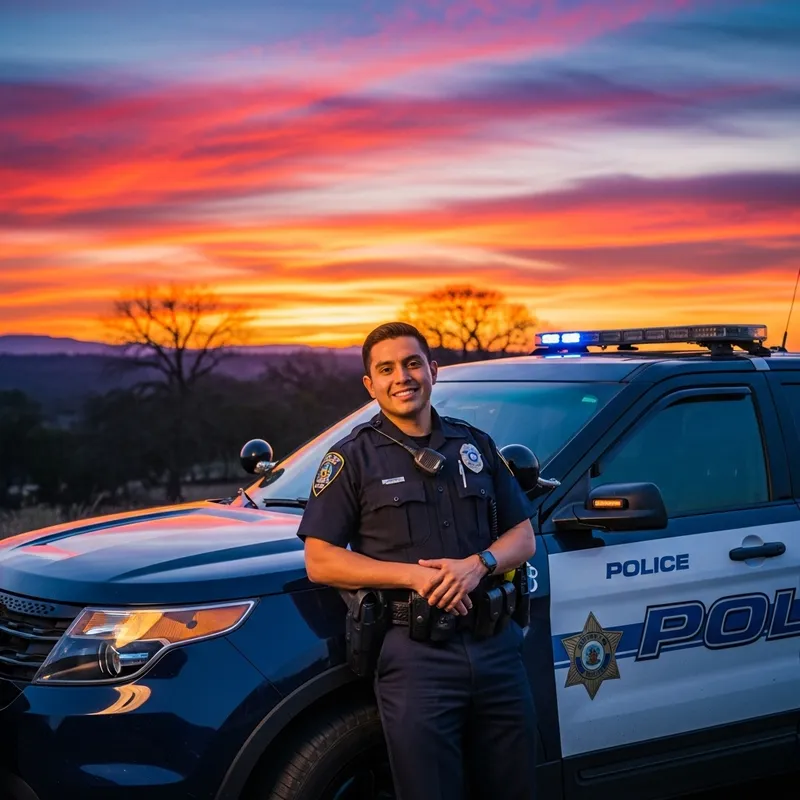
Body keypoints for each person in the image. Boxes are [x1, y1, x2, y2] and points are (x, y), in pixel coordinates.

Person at [296, 321, 538, 800]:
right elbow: (319, 560)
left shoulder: (475, 446)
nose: (401, 377)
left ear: (432, 370)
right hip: (416, 657)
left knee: (515, 788)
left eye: (411, 364)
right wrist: (411, 577)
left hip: (496, 651)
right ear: (370, 385)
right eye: (386, 369)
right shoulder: (351, 459)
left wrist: (480, 563)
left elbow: (523, 536)